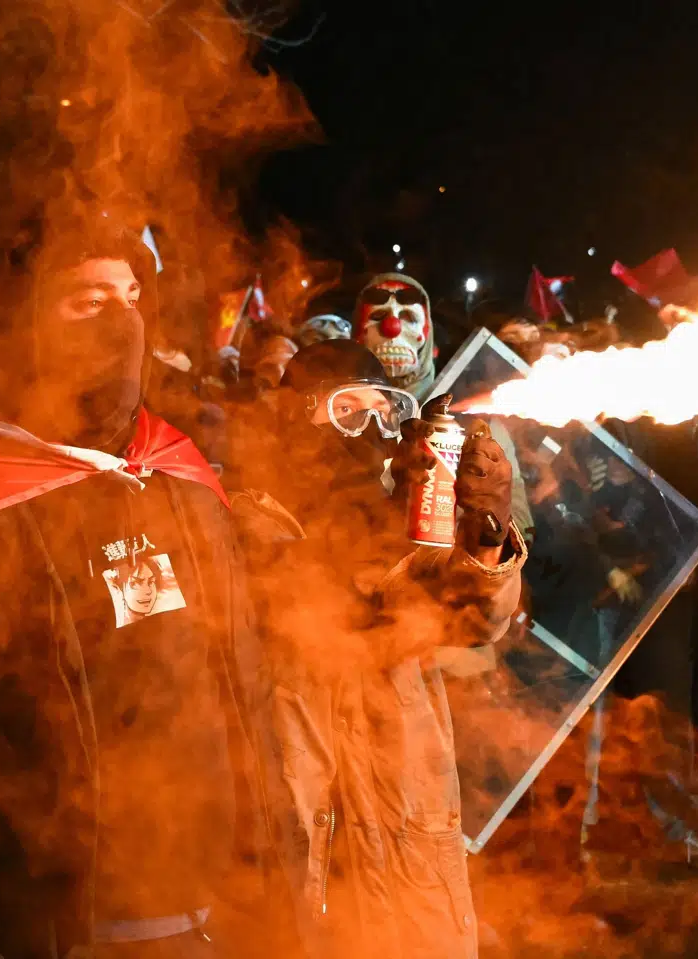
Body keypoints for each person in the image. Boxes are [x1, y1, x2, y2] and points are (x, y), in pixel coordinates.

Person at [0, 221, 291, 959]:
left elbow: (246, 689)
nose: (124, 321)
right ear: (16, 329)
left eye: (133, 296)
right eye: (88, 301)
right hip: (52, 932)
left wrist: (281, 889)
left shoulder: (176, 475)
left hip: (214, 923)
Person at [237, 340, 526, 959]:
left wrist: (486, 539)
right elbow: (319, 597)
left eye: (384, 414)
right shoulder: (249, 513)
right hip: (306, 813)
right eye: (349, 412)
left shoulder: (400, 518)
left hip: (400, 816)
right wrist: (390, 522)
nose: (369, 432)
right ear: (295, 415)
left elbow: (478, 619)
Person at [353, 272, 437, 400]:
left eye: (409, 318)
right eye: (377, 316)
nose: (393, 328)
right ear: (358, 333)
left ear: (426, 332)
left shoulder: (448, 402)